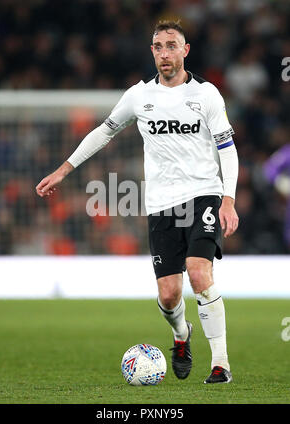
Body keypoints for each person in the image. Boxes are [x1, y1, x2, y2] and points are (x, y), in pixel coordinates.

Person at [36, 20, 239, 384]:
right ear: (152, 52)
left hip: (203, 194)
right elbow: (104, 132)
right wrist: (64, 170)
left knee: (198, 272)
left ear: (185, 50)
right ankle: (181, 334)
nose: (165, 53)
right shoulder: (138, 96)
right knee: (168, 294)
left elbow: (227, 148)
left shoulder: (207, 95)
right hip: (162, 204)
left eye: (171, 46)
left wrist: (228, 198)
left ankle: (220, 364)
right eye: (158, 46)